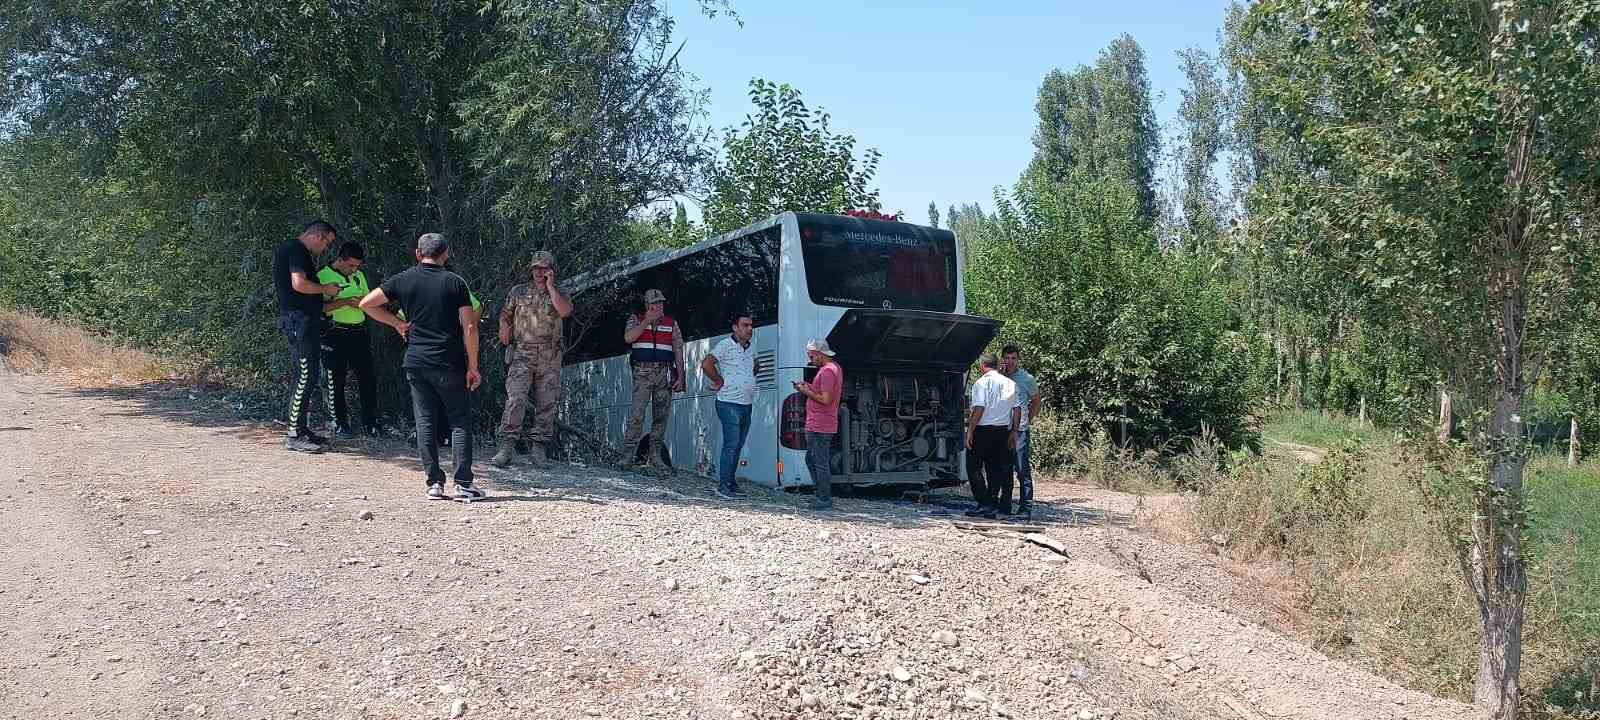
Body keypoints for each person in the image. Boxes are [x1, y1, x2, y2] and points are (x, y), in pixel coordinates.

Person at [358, 233, 485, 501]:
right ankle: (463, 484)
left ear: (418, 253)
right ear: (446, 254)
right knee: (459, 420)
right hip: (448, 362)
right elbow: (470, 326)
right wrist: (473, 365)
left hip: (416, 361)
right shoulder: (455, 283)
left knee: (425, 420)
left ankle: (434, 484)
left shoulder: (402, 280)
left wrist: (396, 323)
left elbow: (365, 304)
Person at [492, 251, 573, 467]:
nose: (539, 272)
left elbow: (564, 312)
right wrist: (503, 326)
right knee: (515, 399)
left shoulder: (560, 291)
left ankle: (538, 450)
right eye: (536, 268)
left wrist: (551, 287)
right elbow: (505, 314)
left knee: (546, 403)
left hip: (550, 355)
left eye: (544, 268)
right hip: (522, 353)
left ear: (551, 270)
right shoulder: (518, 291)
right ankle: (506, 447)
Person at [272, 220, 342, 453]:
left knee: (307, 375)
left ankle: (301, 428)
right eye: (327, 243)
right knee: (305, 375)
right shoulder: (295, 250)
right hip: (298, 322)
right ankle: (294, 433)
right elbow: (300, 284)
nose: (326, 249)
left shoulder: (296, 251)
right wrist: (326, 289)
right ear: (318, 236)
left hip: (304, 321)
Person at [317, 242, 378, 438]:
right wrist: (345, 302)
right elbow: (320, 308)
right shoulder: (323, 276)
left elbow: (368, 300)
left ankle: (370, 423)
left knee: (367, 378)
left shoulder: (358, 276)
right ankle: (340, 423)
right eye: (351, 265)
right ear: (340, 259)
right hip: (335, 333)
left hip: (358, 332)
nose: (355, 269)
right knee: (336, 379)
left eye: (357, 266)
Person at [620, 288, 684, 469]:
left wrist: (681, 375)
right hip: (643, 372)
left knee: (661, 416)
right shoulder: (635, 319)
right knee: (637, 415)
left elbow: (678, 349)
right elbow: (628, 338)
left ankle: (655, 457)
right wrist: (647, 321)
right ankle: (627, 457)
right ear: (647, 305)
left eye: (661, 303)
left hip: (664, 373)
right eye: (655, 303)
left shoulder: (671, 323)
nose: (659, 306)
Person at [702, 313, 756, 499]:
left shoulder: (750, 347)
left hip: (746, 404)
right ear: (735, 327)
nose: (749, 328)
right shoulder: (726, 345)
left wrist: (747, 380)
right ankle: (724, 486)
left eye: (751, 325)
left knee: (737, 445)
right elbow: (707, 363)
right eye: (745, 325)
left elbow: (755, 366)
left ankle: (731, 483)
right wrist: (719, 379)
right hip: (729, 403)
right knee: (731, 444)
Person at [964, 352, 1020, 519]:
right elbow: (1017, 409)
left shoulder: (981, 383)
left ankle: (983, 503)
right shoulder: (1010, 383)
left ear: (982, 366)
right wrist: (1014, 431)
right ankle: (992, 502)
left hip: (983, 430)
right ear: (997, 365)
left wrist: (970, 431)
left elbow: (979, 409)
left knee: (973, 467)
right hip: (1002, 430)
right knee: (994, 468)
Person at [793, 339, 842, 511]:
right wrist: (809, 386)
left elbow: (826, 399)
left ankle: (823, 499)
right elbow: (822, 392)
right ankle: (821, 496)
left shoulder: (828, 371)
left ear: (820, 354)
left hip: (820, 423)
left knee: (818, 461)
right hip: (822, 422)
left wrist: (805, 391)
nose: (810, 359)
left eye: (812, 356)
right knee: (813, 459)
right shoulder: (833, 368)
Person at [1001, 344, 1042, 516]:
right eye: (1007, 358)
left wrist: (1027, 420)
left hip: (1020, 431)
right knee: (1004, 468)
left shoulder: (1026, 379)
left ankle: (1026, 507)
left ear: (1018, 359)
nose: (1010, 362)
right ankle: (1005, 504)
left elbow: (1036, 401)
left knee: (1021, 469)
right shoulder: (999, 377)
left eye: (1014, 358)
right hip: (1002, 429)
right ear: (1002, 358)